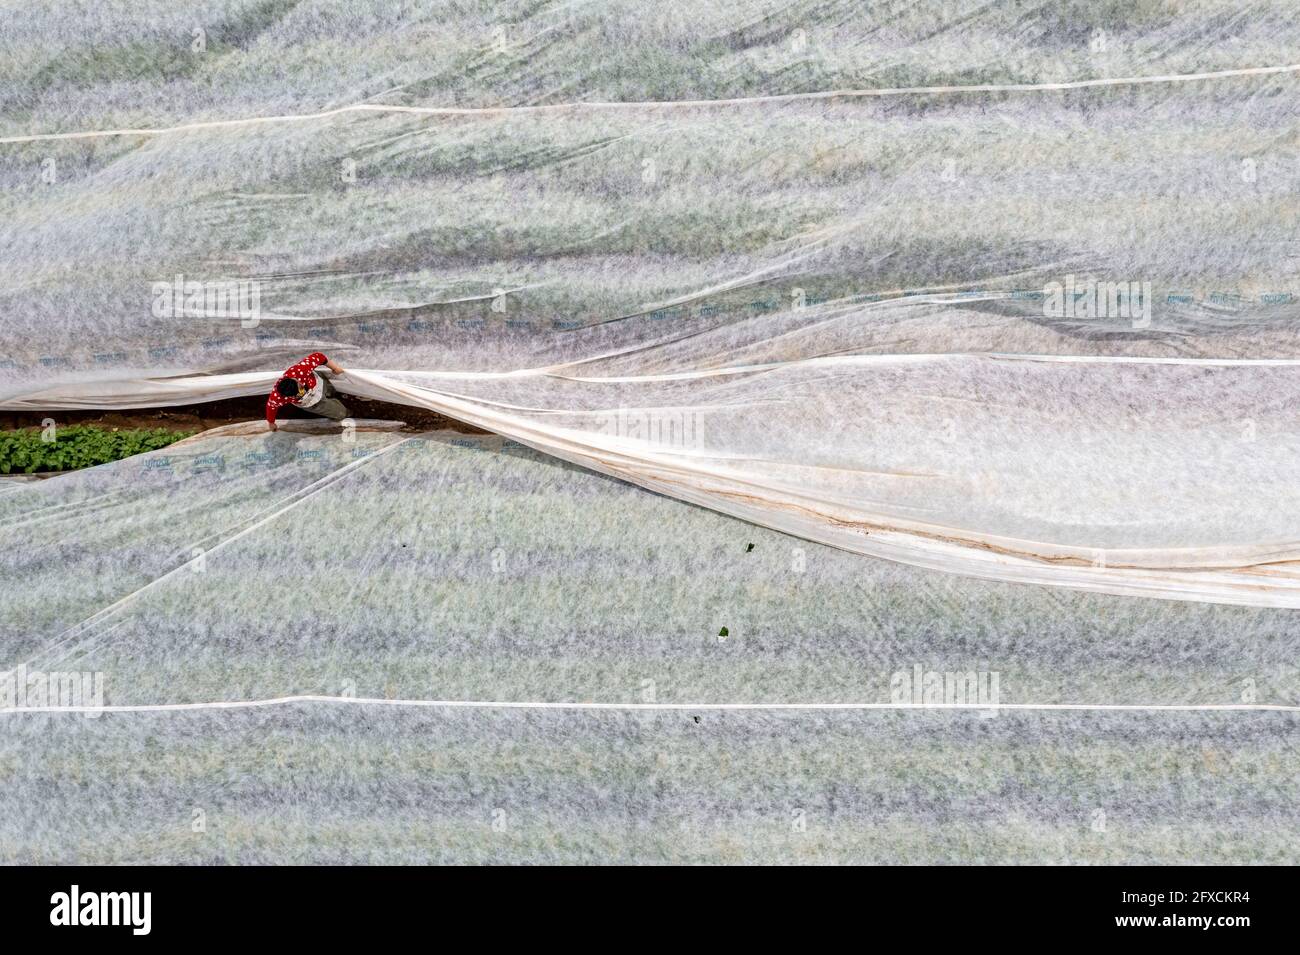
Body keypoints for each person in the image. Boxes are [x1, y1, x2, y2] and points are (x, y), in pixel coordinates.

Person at [265, 352, 349, 431]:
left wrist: (335, 368)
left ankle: (333, 397)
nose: (302, 391)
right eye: (297, 395)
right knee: (340, 414)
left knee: (331, 392)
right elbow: (271, 407)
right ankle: (347, 413)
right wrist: (271, 422)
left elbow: (318, 356)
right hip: (312, 403)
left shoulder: (299, 371)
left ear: (295, 380)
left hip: (320, 384)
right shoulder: (277, 397)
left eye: (300, 388)